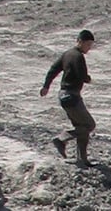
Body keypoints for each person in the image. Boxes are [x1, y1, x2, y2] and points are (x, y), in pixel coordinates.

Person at [40, 29, 97, 167]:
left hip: (64, 95)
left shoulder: (67, 54)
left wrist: (46, 86)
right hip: (72, 96)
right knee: (89, 125)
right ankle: (61, 139)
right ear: (80, 42)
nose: (89, 48)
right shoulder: (78, 56)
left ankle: (82, 159)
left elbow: (53, 69)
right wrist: (88, 79)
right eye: (88, 44)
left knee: (81, 127)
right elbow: (82, 75)